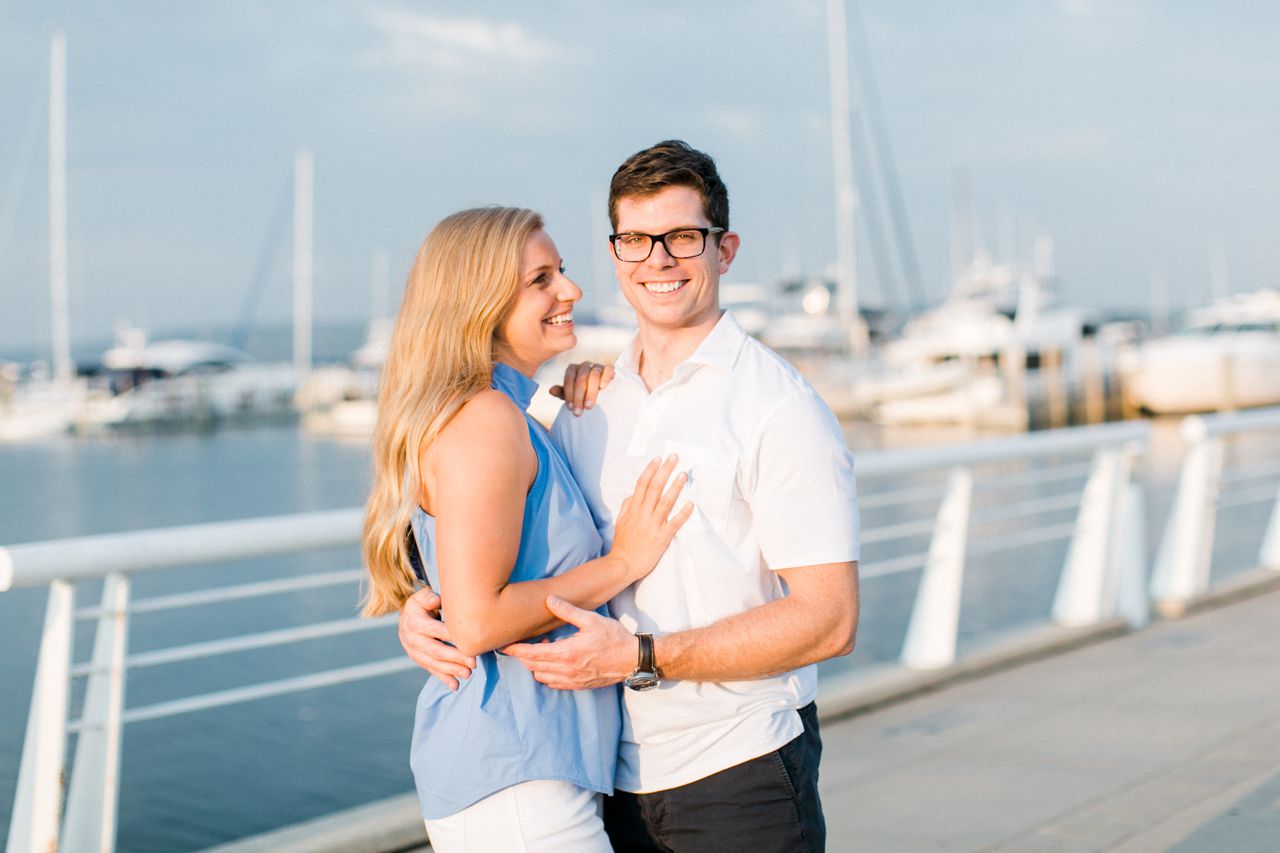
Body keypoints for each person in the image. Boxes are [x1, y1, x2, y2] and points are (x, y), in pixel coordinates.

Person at [401, 141, 861, 852]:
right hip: (603, 779)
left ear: (725, 249)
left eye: (683, 237)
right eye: (637, 240)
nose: (659, 260)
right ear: (616, 253)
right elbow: (473, 528)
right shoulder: (582, 403)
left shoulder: (779, 407)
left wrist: (644, 655)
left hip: (736, 772)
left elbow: (829, 620)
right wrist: (423, 606)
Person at [362, 206, 692, 852]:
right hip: (516, 783)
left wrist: (591, 393)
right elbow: (477, 619)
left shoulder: (512, 411)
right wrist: (624, 562)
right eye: (541, 279)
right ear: (480, 302)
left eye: (561, 272)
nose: (570, 290)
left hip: (534, 771)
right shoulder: (485, 417)